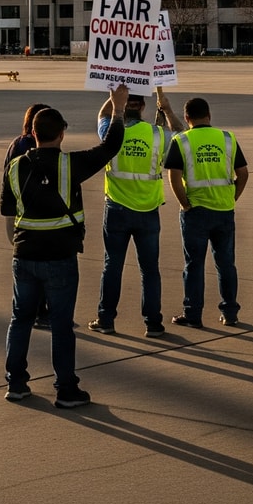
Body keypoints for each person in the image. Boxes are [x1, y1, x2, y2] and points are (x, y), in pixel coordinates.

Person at [1, 84, 128, 408]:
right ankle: (66, 388)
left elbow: (7, 212)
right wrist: (117, 107)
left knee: (20, 320)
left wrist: (17, 243)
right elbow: (110, 146)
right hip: (59, 257)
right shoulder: (70, 165)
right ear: (61, 134)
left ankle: (16, 383)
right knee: (61, 326)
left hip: (24, 254)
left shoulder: (15, 167)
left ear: (33, 133)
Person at [89, 89, 178, 337]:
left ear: (126, 105)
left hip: (117, 207)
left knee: (112, 266)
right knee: (149, 270)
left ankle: (106, 319)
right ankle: (153, 323)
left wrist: (115, 98)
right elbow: (181, 136)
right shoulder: (157, 134)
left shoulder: (111, 132)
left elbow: (102, 114)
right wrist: (167, 110)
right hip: (148, 210)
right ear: (142, 108)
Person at [164, 97, 249, 327]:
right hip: (224, 210)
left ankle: (193, 314)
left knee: (194, 265)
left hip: (196, 211)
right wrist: (232, 198)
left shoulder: (182, 140)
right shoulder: (227, 138)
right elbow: (243, 173)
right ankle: (230, 313)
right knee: (226, 264)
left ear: (187, 118)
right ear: (209, 115)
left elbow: (173, 176)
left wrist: (184, 203)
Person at [5, 103, 52, 329]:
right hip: (34, 216)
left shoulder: (16, 144)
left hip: (17, 213)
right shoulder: (39, 147)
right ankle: (41, 312)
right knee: (43, 266)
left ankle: (29, 311)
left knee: (25, 269)